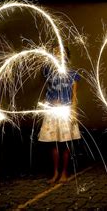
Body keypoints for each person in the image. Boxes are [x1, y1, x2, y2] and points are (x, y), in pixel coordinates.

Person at [38, 46, 81, 183]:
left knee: (65, 143)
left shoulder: (73, 74)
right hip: (51, 111)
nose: (58, 54)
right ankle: (55, 172)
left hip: (66, 110)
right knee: (53, 144)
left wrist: (74, 112)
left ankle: (64, 172)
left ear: (67, 55)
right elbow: (41, 61)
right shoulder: (47, 71)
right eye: (55, 51)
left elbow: (74, 96)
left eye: (61, 52)